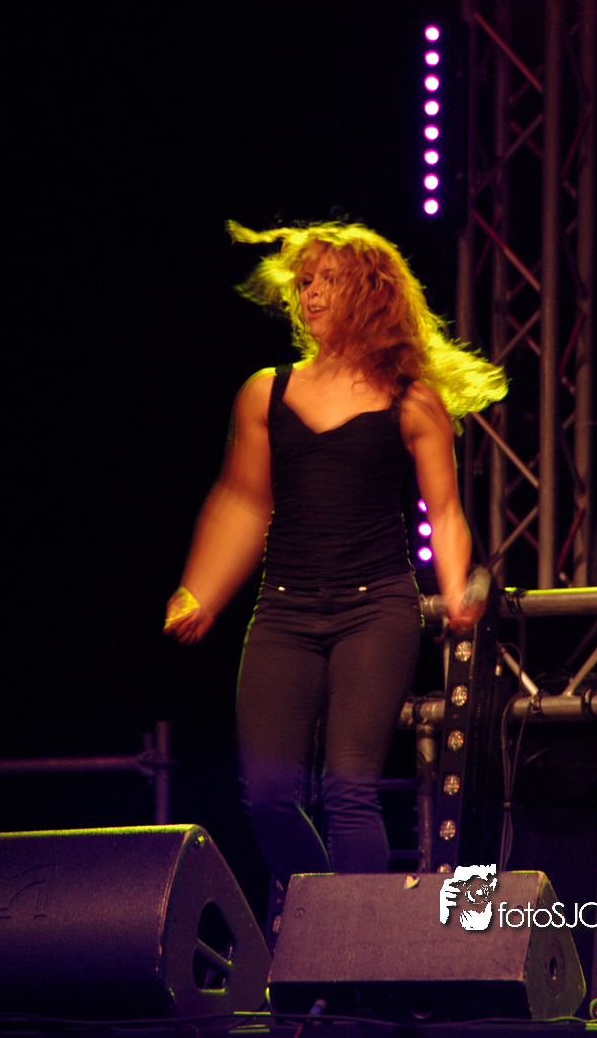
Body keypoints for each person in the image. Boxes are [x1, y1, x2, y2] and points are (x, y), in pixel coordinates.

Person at [164, 219, 507, 888]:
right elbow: (242, 501)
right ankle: (322, 921)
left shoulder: (412, 402)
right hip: (284, 612)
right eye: (304, 282)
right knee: (267, 797)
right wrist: (200, 589)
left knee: (349, 788)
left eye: (327, 280)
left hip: (375, 609)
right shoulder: (265, 392)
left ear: (371, 294)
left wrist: (455, 586)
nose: (311, 293)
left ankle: (356, 942)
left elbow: (445, 512)